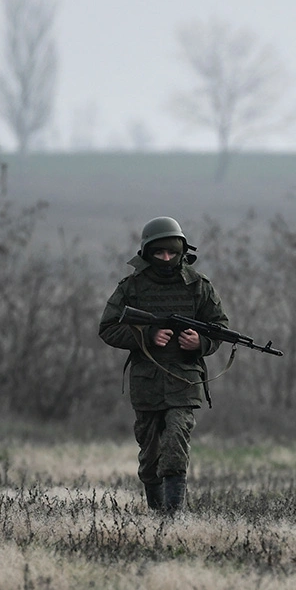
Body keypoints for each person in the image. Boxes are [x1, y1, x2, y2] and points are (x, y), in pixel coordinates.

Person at [99, 216, 229, 515]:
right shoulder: (131, 287)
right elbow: (108, 328)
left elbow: (219, 326)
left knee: (176, 436)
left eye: (172, 252)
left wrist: (201, 343)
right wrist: (146, 335)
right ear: (147, 252)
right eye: (160, 253)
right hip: (147, 380)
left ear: (182, 251)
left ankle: (173, 516)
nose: (166, 258)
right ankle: (157, 512)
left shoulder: (198, 286)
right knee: (150, 453)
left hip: (184, 379)